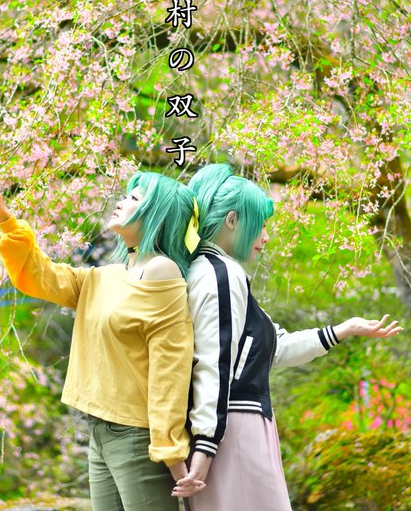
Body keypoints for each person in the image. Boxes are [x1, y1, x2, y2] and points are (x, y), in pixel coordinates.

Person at [172, 163, 403, 511]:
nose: (265, 237)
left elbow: (272, 348)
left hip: (232, 430)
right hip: (233, 433)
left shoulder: (211, 271)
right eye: (260, 225)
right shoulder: (222, 274)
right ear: (232, 221)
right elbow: (213, 363)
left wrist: (343, 329)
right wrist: (206, 446)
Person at [0, 161, 204, 511]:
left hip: (137, 438)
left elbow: (169, 368)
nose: (121, 201)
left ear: (156, 214)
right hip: (99, 431)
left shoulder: (162, 270)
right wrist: (5, 219)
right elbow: (41, 276)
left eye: (134, 198)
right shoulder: (106, 276)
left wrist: (172, 454)